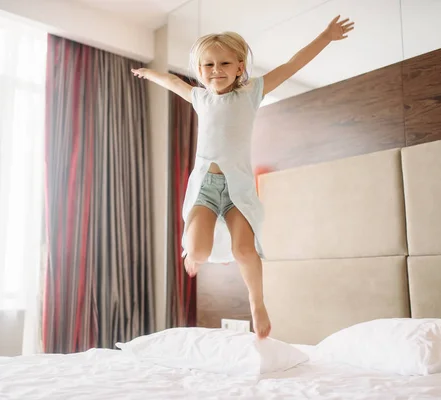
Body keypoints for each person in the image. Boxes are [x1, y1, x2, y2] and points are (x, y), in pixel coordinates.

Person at [132, 16, 355, 339]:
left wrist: (326, 36)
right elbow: (171, 82)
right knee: (198, 252)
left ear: (239, 67)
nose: (215, 70)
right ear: (199, 69)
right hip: (205, 189)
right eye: (207, 64)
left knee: (244, 251)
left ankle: (256, 302)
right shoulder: (200, 98)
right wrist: (149, 72)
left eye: (224, 63)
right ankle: (191, 255)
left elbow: (292, 64)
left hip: (238, 188)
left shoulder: (251, 93)